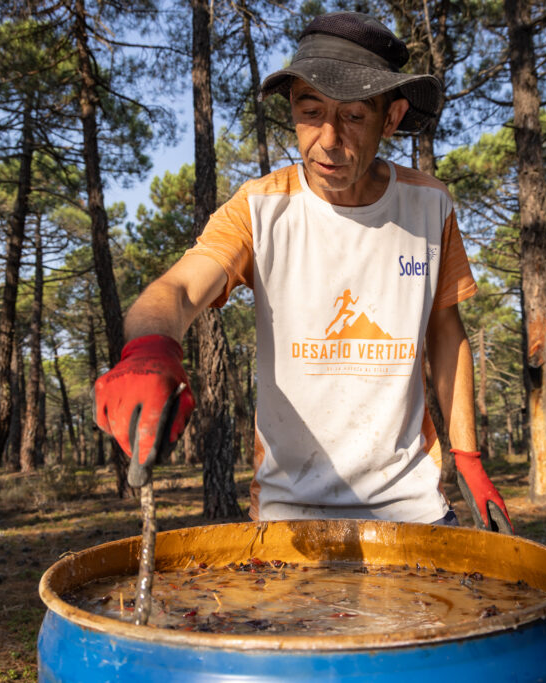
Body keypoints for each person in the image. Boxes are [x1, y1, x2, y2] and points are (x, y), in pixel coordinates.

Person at [93, 11, 512, 532]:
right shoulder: (261, 209)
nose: (328, 140)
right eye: (311, 112)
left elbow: (446, 331)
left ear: (392, 117)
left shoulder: (430, 206)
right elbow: (179, 287)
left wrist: (469, 460)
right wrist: (150, 349)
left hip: (414, 510)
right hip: (287, 515)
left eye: (354, 116)